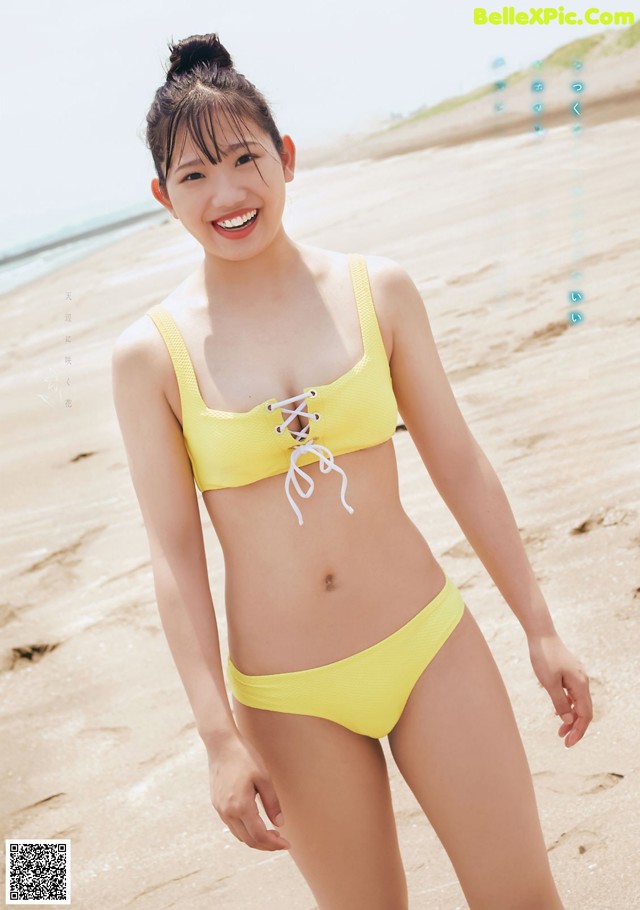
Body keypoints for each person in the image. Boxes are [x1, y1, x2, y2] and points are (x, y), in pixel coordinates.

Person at [112, 32, 592, 909]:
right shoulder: (151, 356)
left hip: (429, 646)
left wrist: (539, 624)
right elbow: (174, 558)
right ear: (162, 196)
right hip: (288, 699)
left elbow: (461, 462)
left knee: (524, 897)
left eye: (246, 157)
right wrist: (218, 736)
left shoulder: (379, 290)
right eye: (194, 175)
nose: (228, 192)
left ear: (286, 157)